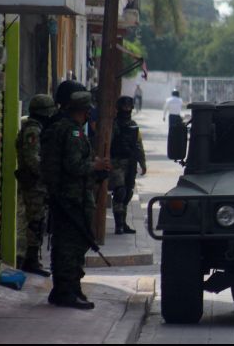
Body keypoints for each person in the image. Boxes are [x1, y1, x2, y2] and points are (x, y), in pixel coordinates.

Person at [40, 91, 111, 310]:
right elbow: (73, 166)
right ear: (84, 111)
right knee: (69, 246)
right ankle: (64, 291)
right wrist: (96, 166)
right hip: (71, 198)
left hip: (71, 197)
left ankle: (71, 287)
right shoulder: (71, 131)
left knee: (74, 243)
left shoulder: (65, 128)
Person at [15, 94, 57, 277]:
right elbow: (33, 159)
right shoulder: (33, 130)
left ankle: (31, 259)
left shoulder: (36, 128)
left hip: (36, 183)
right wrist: (46, 175)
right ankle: (29, 260)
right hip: (34, 184)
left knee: (38, 221)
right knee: (35, 222)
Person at [109, 96, 147, 235]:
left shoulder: (133, 125)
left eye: (129, 106)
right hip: (116, 162)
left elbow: (139, 145)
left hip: (130, 163)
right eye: (124, 106)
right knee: (120, 192)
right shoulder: (113, 125)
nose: (127, 109)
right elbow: (106, 144)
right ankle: (118, 225)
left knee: (128, 193)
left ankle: (123, 223)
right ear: (119, 108)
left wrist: (143, 163)